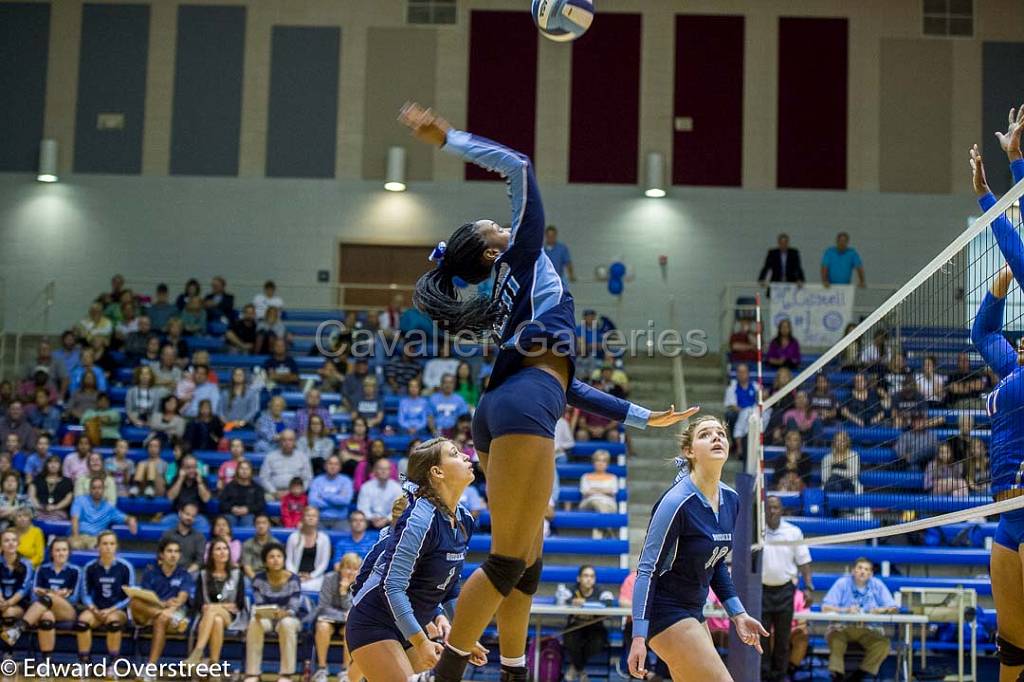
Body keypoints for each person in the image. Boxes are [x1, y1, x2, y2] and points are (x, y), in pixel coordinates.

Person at [398, 103, 693, 682]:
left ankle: (513, 670)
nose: (503, 225)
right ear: (491, 251)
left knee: (528, 562)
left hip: (514, 402)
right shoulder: (523, 253)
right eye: (493, 228)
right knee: (508, 559)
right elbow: (518, 166)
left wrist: (640, 416)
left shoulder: (515, 285)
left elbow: (566, 383)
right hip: (524, 406)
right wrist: (448, 137)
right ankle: (445, 675)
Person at [627, 416, 767, 681]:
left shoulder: (732, 499)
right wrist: (638, 636)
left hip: (694, 609)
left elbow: (715, 564)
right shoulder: (676, 502)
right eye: (705, 434)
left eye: (721, 433)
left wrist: (738, 613)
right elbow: (646, 570)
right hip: (664, 611)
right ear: (689, 451)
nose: (716, 437)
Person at [347, 438, 486, 680]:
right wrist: (421, 642)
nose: (466, 456)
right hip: (376, 622)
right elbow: (392, 586)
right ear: (437, 472)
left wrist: (464, 637)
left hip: (411, 626)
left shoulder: (464, 519)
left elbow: (451, 588)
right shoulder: (419, 519)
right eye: (455, 453)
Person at [760, 496, 815, 682]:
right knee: (762, 638)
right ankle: (763, 676)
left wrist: (808, 586)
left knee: (783, 639)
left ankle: (779, 677)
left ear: (781, 510)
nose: (772, 511)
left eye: (776, 507)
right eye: (769, 507)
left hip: (785, 591)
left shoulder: (793, 532)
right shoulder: (757, 531)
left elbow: (804, 562)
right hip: (761, 591)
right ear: (764, 510)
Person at [821, 558, 896, 682]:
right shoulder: (842, 583)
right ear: (853, 571)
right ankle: (837, 676)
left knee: (884, 644)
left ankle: (859, 676)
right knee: (836, 640)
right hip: (843, 628)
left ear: (871, 574)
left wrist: (880, 610)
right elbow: (825, 608)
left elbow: (893, 608)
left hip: (869, 629)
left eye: (866, 569)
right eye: (859, 568)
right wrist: (845, 610)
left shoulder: (877, 584)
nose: (862, 572)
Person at [3, 538, 80, 657]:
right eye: (57, 550)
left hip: (67, 611)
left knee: (48, 598)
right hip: (43, 608)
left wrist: (49, 594)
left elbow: (74, 598)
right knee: (46, 616)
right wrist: (57, 593)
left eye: (64, 550)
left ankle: (17, 630)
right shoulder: (42, 569)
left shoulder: (75, 571)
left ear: (69, 552)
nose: (61, 553)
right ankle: (46, 662)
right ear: (51, 553)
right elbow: (34, 596)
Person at [131, 539, 193, 678]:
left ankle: (150, 668)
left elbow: (181, 598)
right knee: (135, 602)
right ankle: (165, 615)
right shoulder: (150, 572)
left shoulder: (184, 574)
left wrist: (169, 609)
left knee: (161, 619)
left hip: (173, 614)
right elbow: (146, 598)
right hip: (153, 611)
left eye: (176, 552)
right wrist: (163, 605)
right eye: (169, 551)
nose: (173, 555)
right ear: (161, 554)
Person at [244, 543, 303, 682]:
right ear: (265, 561)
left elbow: (294, 607)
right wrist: (268, 612)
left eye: (279, 556)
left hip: (289, 617)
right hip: (268, 617)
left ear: (284, 559)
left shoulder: (293, 579)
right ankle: (253, 673)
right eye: (271, 557)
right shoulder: (258, 579)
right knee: (254, 622)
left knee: (287, 624)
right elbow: (259, 603)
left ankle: (286, 674)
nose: (276, 560)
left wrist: (285, 613)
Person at [185, 536, 246, 666]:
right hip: (209, 616)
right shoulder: (203, 574)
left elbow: (239, 603)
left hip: (232, 616)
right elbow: (199, 602)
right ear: (211, 554)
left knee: (212, 610)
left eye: (225, 549)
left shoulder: (237, 573)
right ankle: (214, 665)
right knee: (216, 620)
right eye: (218, 549)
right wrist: (220, 606)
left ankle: (198, 651)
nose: (223, 552)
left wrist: (215, 606)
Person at [77, 530, 134, 663]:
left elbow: (129, 596)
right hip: (96, 609)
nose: (108, 547)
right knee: (82, 622)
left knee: (114, 623)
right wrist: (93, 608)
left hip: (117, 611)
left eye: (112, 544)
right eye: (105, 544)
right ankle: (84, 661)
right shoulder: (90, 567)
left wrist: (111, 610)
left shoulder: (125, 567)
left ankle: (113, 662)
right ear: (98, 546)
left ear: (116, 546)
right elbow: (85, 593)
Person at [313, 552, 360, 682]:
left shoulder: (360, 583)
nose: (351, 572)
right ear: (340, 568)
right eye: (347, 568)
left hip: (347, 623)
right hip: (329, 619)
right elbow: (323, 605)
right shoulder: (329, 578)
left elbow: (354, 608)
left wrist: (344, 592)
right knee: (322, 626)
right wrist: (343, 615)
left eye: (355, 569)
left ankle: (345, 671)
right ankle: (322, 669)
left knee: (350, 629)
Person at [563, 564, 614, 682]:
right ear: (578, 578)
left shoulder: (601, 591)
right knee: (570, 639)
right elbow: (560, 600)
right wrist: (571, 601)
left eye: (592, 576)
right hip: (575, 626)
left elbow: (609, 603)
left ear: (595, 579)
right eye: (585, 576)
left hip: (595, 627)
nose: (589, 579)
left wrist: (586, 602)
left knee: (598, 642)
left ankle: (575, 667)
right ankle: (580, 670)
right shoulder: (571, 590)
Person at [70, 476, 138, 550]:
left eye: (99, 488)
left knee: (101, 547)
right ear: (90, 490)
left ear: (104, 490)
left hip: (96, 539)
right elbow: (75, 519)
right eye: (94, 488)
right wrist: (76, 537)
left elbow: (125, 518)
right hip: (79, 535)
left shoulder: (109, 508)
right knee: (74, 544)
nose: (97, 490)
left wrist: (131, 520)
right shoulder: (80, 500)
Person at [0, 529, 33, 656]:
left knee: (9, 612)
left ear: (18, 543)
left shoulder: (26, 564)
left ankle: (8, 654)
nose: (11, 543)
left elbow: (24, 589)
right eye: (6, 540)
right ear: (1, 544)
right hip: (1, 601)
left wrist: (8, 603)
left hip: (18, 604)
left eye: (14, 540)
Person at [285, 506, 332, 592]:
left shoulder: (324, 539)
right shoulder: (293, 537)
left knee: (317, 587)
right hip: (294, 575)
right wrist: (296, 576)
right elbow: (288, 561)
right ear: (302, 518)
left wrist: (311, 576)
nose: (311, 518)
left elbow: (323, 563)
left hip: (316, 578)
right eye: (308, 515)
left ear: (318, 519)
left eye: (314, 516)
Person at [309, 454, 354, 530]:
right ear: (325, 466)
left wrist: (323, 496)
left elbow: (345, 501)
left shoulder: (346, 481)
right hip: (320, 519)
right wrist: (336, 500)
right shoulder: (317, 480)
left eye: (336, 464)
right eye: (330, 463)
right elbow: (313, 501)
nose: (333, 466)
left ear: (340, 467)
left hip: (341, 519)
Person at [158, 502, 206, 573]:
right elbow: (160, 556)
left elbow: (199, 561)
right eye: (187, 514)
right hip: (169, 572)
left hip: (190, 573)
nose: (190, 518)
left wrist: (186, 574)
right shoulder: (167, 535)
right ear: (180, 513)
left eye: (193, 516)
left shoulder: (199, 537)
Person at [357, 458, 403, 529]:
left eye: (386, 469)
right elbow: (362, 508)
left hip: (390, 522)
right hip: (369, 522)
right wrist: (372, 518)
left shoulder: (397, 488)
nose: (384, 471)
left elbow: (399, 509)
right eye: (380, 468)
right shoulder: (366, 487)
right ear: (374, 471)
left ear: (390, 471)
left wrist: (387, 519)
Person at [220, 459, 265, 527]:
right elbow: (222, 503)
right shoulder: (229, 486)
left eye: (247, 469)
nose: (244, 471)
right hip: (231, 513)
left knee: (248, 519)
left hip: (249, 514)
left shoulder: (257, 488)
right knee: (228, 520)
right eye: (242, 468)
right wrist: (232, 508)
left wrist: (248, 509)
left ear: (251, 471)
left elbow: (260, 504)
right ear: (237, 470)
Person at [29, 455, 73, 522]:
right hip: (39, 510)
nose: (53, 465)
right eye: (50, 463)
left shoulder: (67, 481)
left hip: (59, 511)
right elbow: (31, 496)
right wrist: (40, 507)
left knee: (55, 519)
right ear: (46, 465)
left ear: (60, 466)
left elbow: (68, 499)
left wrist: (55, 507)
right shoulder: (38, 479)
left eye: (56, 463)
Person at [241, 513, 275, 580]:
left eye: (264, 523)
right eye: (258, 523)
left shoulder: (276, 544)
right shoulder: (247, 544)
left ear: (269, 525)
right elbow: (247, 566)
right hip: (252, 575)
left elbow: (277, 566)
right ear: (254, 526)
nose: (261, 526)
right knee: (245, 582)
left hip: (271, 575)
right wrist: (257, 580)